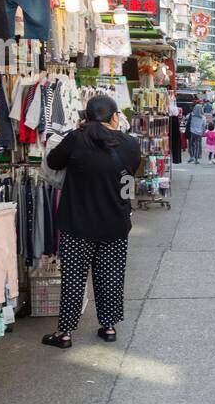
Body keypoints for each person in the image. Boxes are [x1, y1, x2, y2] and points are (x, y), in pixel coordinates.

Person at [41, 95, 142, 349]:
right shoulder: (130, 144)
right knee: (111, 276)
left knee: (74, 279)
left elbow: (53, 161)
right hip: (115, 224)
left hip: (78, 225)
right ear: (115, 116)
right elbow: (129, 176)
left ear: (85, 117)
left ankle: (64, 333)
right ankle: (108, 327)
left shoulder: (76, 139)